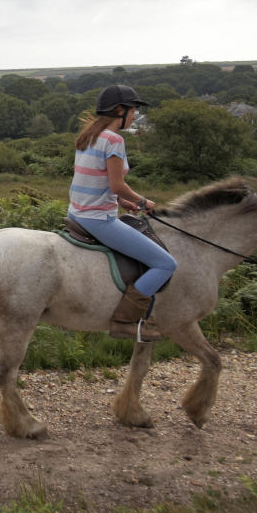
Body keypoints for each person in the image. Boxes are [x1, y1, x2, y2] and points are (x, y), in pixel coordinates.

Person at [68, 84, 177, 342]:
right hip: (98, 219)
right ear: (120, 110)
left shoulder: (88, 136)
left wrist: (120, 201)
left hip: (77, 212)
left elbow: (100, 182)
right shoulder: (114, 140)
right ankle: (126, 323)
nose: (135, 115)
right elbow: (117, 184)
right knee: (166, 264)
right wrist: (144, 202)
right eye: (133, 110)